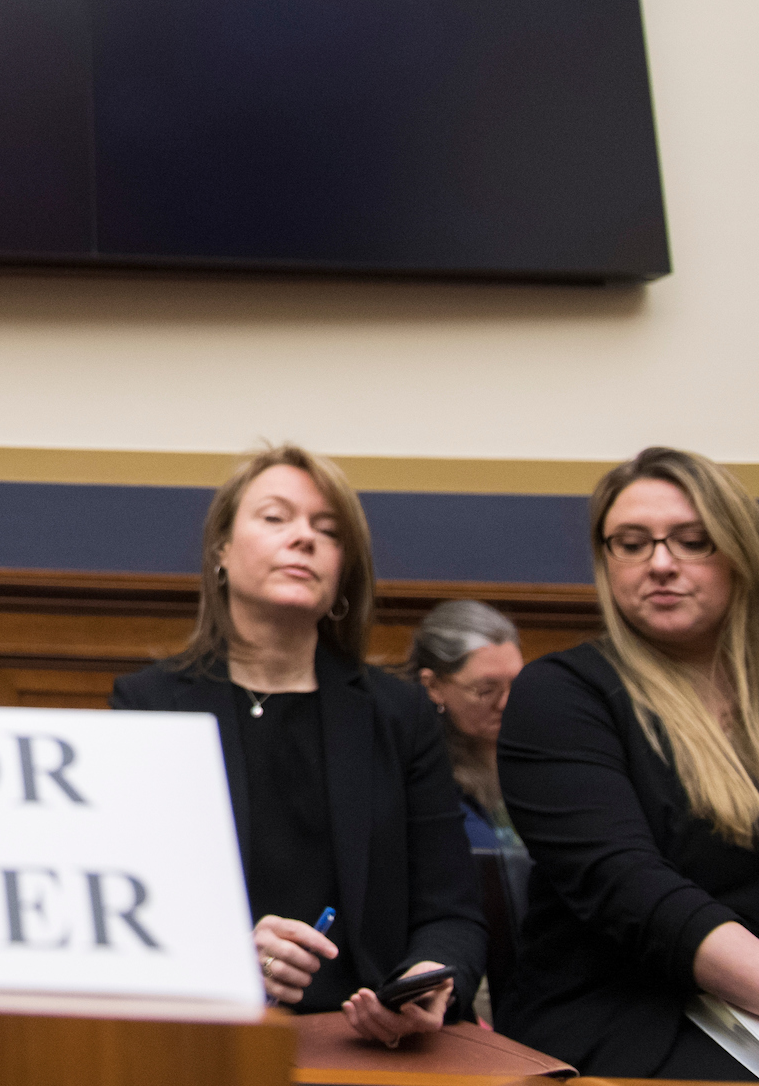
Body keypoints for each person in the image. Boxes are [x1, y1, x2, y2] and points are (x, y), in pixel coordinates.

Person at [111, 443, 485, 1043]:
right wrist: (231, 955)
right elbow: (125, 913)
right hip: (209, 1039)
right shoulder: (151, 706)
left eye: (327, 529)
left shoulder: (400, 714)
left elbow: (452, 913)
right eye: (276, 517)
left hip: (373, 1042)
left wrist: (429, 982)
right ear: (221, 554)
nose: (304, 538)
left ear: (342, 573)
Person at [498, 447, 759, 1079]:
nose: (660, 564)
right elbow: (632, 891)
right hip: (633, 1009)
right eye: (630, 543)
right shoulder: (561, 693)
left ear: (742, 554)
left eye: (692, 541)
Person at [404, 600, 525, 848]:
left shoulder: (541, 749)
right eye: (485, 690)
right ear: (433, 686)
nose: (506, 703)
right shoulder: (425, 777)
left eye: (517, 684)